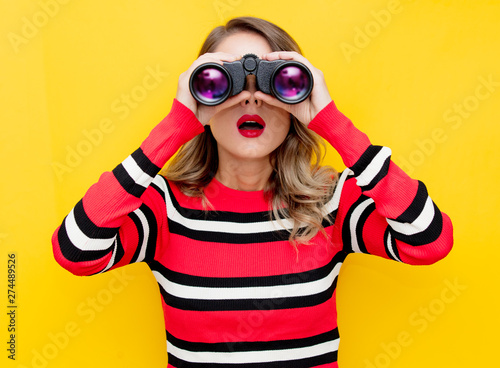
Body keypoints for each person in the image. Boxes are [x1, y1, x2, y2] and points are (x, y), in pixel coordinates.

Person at [51, 16, 453, 368]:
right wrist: (175, 126)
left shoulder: (329, 201)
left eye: (275, 82)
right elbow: (75, 251)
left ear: (297, 96)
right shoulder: (166, 207)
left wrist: (329, 121)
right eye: (220, 82)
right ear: (199, 96)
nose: (250, 98)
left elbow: (430, 241)